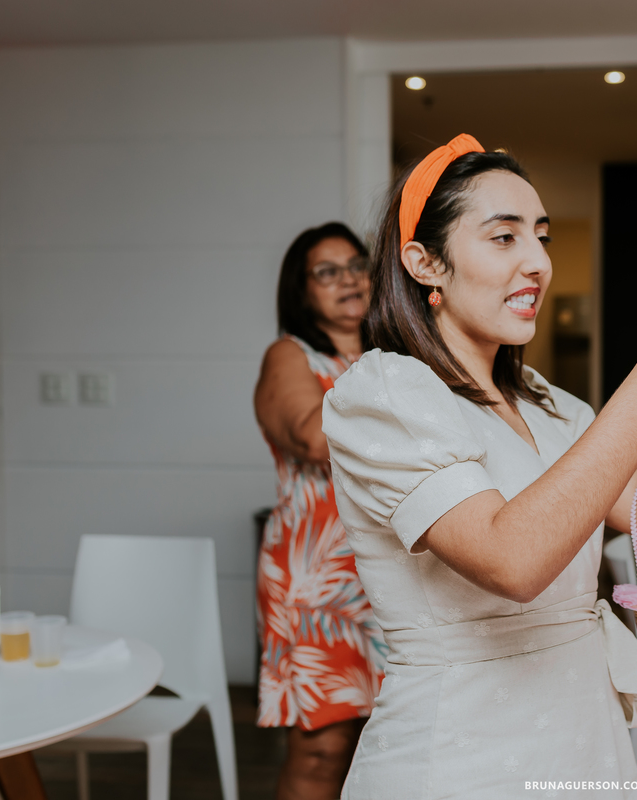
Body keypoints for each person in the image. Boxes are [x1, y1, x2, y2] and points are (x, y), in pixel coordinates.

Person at [321, 134, 637, 799]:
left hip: (582, 734)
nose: (537, 262)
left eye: (541, 237)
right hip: (462, 755)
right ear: (425, 264)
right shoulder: (384, 392)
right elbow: (514, 563)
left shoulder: (548, 402)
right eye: (504, 238)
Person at [254, 222, 389, 800]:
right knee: (323, 747)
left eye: (356, 265)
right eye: (326, 272)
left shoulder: (397, 353)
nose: (348, 279)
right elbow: (312, 436)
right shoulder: (291, 355)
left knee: (389, 740)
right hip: (320, 579)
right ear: (301, 290)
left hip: (393, 569)